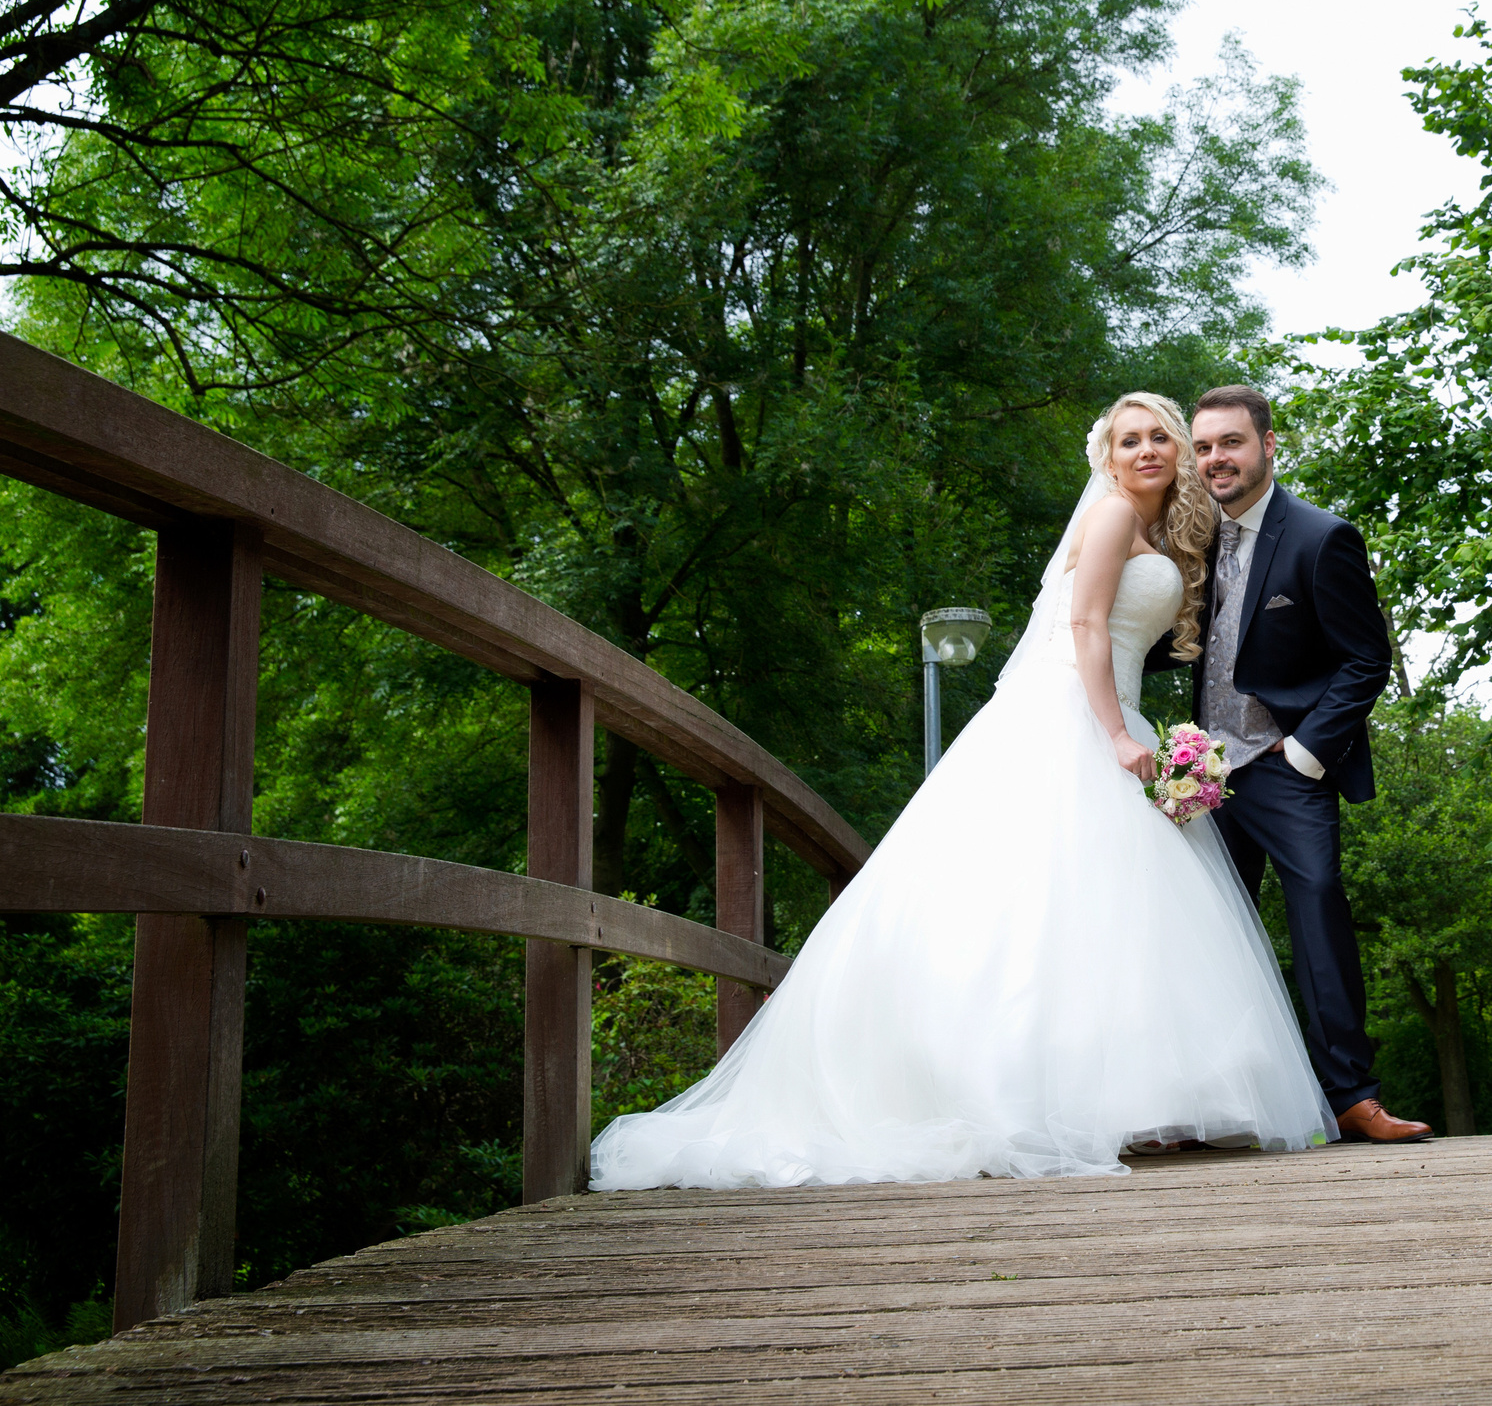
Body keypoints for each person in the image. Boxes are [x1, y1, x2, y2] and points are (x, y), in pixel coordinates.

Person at [588, 392, 1335, 1187]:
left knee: (1108, 909)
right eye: (1129, 440)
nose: (1146, 449)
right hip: (1076, 713)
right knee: (1048, 902)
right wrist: (1118, 734)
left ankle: (1137, 1104)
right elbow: (1085, 626)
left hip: (1110, 711)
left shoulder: (1160, 532)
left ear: (1178, 450)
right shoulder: (1116, 514)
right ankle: (1023, 1093)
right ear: (1108, 456)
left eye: (1159, 436)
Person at [1181, 384, 1432, 1145]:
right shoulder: (1192, 538)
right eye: (1203, 447)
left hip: (1285, 765)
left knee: (1318, 903)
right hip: (1203, 773)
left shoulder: (1322, 538)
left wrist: (1304, 753)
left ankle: (1351, 1096)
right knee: (1202, 929)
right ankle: (1203, 1105)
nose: (1215, 459)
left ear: (1267, 445)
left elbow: (1366, 659)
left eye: (1230, 442)